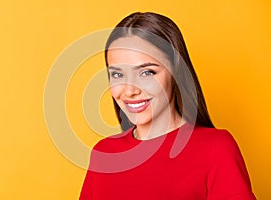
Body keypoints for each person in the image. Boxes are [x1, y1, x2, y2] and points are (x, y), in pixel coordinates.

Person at [80, 12, 256, 199]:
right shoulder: (103, 154)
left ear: (176, 73)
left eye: (146, 72)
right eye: (117, 74)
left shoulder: (215, 149)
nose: (130, 90)